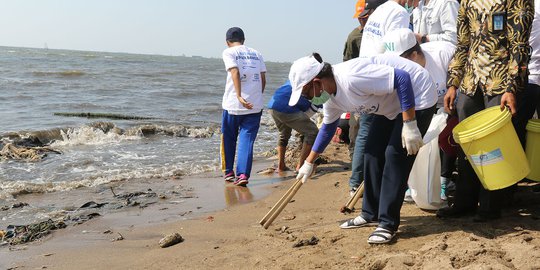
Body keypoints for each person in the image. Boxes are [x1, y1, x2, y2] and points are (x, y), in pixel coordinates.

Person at [288, 52, 436, 244]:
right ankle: (370, 213)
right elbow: (327, 128)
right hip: (389, 104)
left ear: (317, 81)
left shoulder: (351, 77)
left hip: (417, 94)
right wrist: (309, 162)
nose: (308, 99)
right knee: (371, 152)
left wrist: (409, 123)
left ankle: (387, 223)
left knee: (394, 156)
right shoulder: (331, 99)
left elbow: (402, 77)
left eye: (307, 93)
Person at [436, 0, 534, 222]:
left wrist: (511, 88)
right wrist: (453, 83)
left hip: (500, 80)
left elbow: (519, 45)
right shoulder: (468, 1)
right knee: (467, 145)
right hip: (471, 81)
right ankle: (464, 202)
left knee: (494, 145)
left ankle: (490, 206)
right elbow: (462, 44)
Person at [383, 28, 456, 200]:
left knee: (447, 134)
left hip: (451, 105)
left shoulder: (443, 53)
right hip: (425, 109)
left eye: (399, 60)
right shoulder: (398, 74)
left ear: (414, 55)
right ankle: (414, 182)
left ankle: (444, 180)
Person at [344, 0, 387, 195]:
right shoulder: (354, 36)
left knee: (372, 135)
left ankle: (368, 180)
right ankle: (355, 182)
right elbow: (347, 65)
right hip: (362, 91)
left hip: (382, 88)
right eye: (360, 18)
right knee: (358, 134)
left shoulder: (382, 30)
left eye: (365, 17)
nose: (363, 22)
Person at [220, 27, 266, 187]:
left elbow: (234, 72)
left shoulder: (229, 52)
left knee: (228, 137)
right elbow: (262, 78)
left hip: (233, 104)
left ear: (227, 42)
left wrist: (239, 96)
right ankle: (243, 175)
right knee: (247, 140)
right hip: (254, 105)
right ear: (244, 40)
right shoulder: (256, 53)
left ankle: (228, 171)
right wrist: (257, 95)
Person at [267, 80, 319, 172]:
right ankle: (301, 166)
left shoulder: (297, 76)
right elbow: (309, 114)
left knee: (284, 134)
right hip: (286, 108)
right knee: (312, 132)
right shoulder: (320, 89)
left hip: (273, 105)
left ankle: (281, 165)